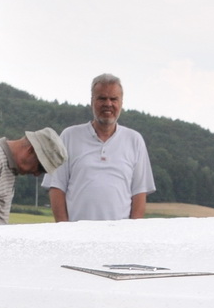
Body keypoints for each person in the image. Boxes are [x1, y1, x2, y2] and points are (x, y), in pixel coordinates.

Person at [44, 73, 156, 221]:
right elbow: (56, 187)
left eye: (113, 99)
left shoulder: (134, 140)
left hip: (119, 233)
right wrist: (64, 228)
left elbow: (139, 192)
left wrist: (132, 231)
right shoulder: (68, 136)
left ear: (121, 103)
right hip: (77, 232)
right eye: (102, 98)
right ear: (92, 101)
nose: (108, 104)